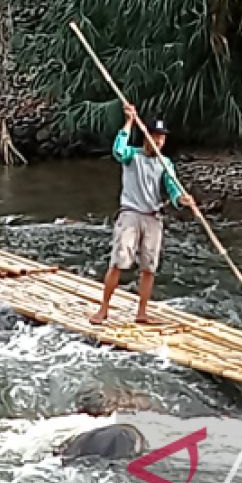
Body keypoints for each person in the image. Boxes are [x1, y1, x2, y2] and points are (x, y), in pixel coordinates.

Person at [89, 104, 194, 326]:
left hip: (152, 216)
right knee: (119, 261)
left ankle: (142, 312)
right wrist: (129, 121)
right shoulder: (132, 156)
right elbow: (118, 150)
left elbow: (172, 186)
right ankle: (103, 309)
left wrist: (180, 199)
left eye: (162, 138)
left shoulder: (165, 163)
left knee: (149, 266)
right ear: (146, 136)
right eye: (154, 136)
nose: (158, 141)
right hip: (130, 214)